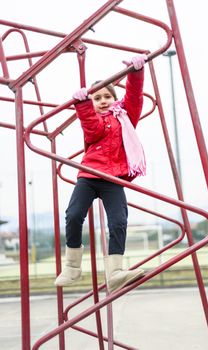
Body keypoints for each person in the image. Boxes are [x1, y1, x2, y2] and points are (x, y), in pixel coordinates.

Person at [55, 54, 147, 293]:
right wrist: (83, 105)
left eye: (107, 96)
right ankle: (73, 266)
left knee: (119, 221)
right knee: (74, 215)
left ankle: (115, 271)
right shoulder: (94, 121)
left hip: (113, 177)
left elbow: (134, 98)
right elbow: (92, 130)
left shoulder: (125, 118)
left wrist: (135, 74)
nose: (103, 101)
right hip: (89, 174)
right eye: (97, 98)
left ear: (115, 98)